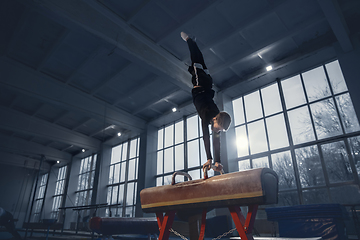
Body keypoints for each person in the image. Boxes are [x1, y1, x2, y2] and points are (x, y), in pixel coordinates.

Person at [181, 32, 231, 173]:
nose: (217, 131)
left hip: (208, 84)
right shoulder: (207, 115)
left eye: (219, 130)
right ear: (216, 119)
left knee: (200, 60)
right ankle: (189, 39)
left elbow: (217, 143)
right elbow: (205, 137)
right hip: (201, 84)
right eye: (218, 128)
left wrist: (218, 161)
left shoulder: (215, 122)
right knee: (196, 58)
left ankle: (194, 45)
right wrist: (209, 158)